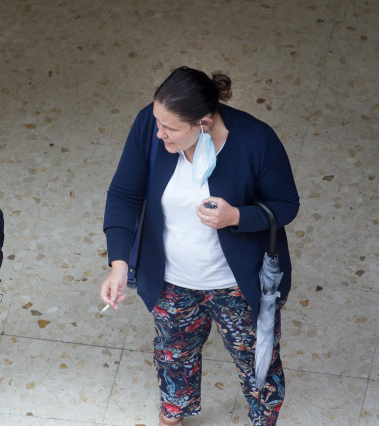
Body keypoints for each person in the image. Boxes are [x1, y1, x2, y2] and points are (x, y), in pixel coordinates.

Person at [100, 66, 299, 425]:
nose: (158, 133)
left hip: (239, 285)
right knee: (173, 357)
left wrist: (236, 216)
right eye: (157, 121)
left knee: (258, 364)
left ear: (203, 123)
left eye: (171, 128)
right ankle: (173, 416)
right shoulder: (151, 124)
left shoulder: (256, 140)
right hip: (172, 281)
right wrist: (118, 263)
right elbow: (123, 194)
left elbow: (287, 205)